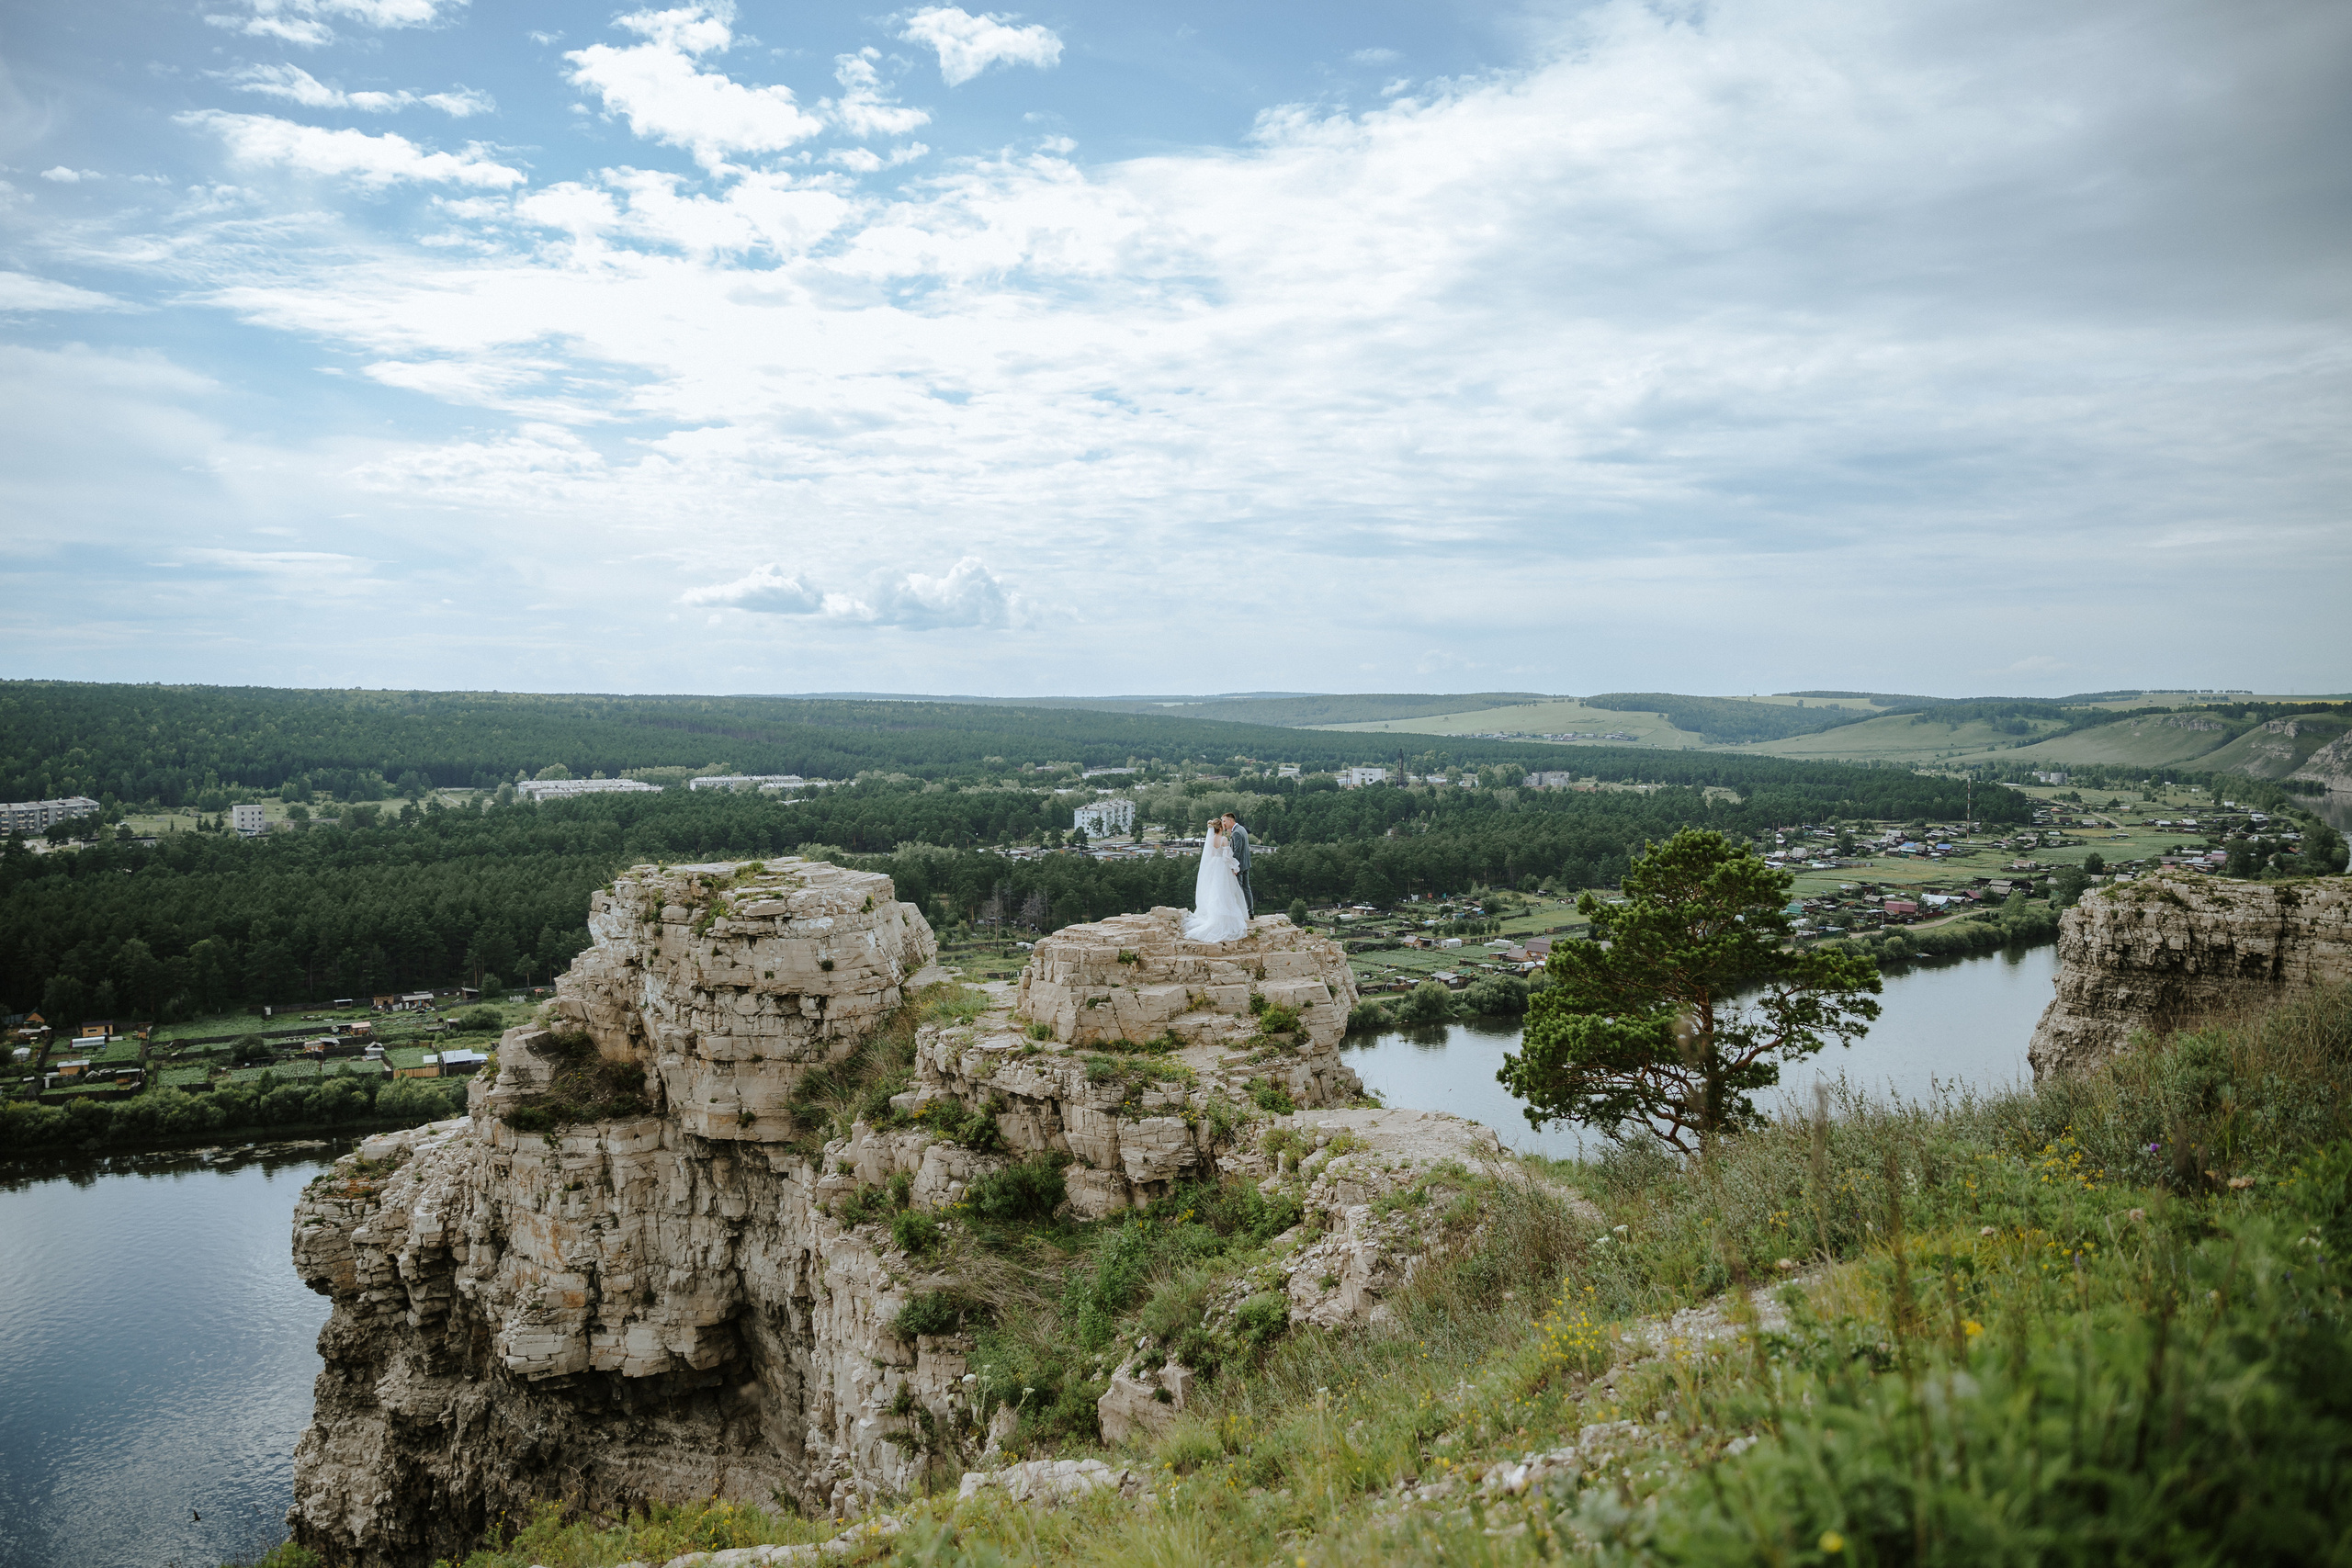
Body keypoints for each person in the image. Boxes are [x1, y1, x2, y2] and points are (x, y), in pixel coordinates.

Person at [1182, 815, 1251, 942]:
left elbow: (1213, 854)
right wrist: (1234, 867)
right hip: (1223, 866)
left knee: (1215, 890)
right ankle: (1226, 914)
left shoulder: (1211, 839)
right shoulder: (1224, 839)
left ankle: (1214, 913)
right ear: (1220, 827)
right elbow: (1227, 856)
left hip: (1214, 866)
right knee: (1226, 891)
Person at [1226, 811, 1256, 914]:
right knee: (1247, 888)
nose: (1223, 823)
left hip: (1240, 866)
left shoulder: (1237, 833)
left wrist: (1234, 866)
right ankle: (1250, 911)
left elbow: (1237, 850)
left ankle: (1240, 912)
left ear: (1231, 820)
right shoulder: (1242, 829)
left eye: (1225, 821)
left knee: (1238, 889)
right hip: (1246, 863)